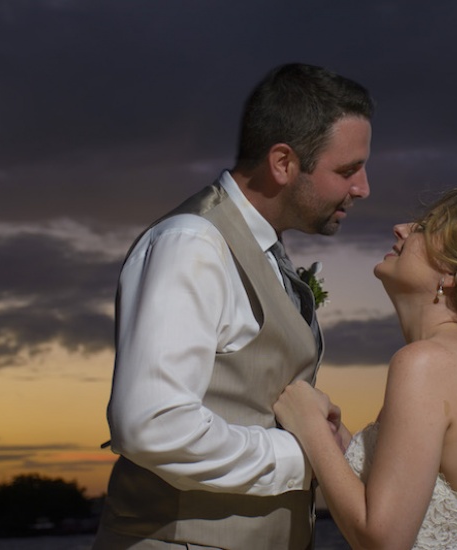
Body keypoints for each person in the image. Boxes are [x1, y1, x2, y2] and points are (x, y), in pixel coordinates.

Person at [93, 63, 374, 549]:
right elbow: (151, 426)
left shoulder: (259, 248)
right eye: (347, 170)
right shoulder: (193, 244)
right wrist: (301, 454)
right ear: (283, 162)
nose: (363, 187)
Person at [274, 188, 457, 549]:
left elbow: (384, 540)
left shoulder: (427, 363)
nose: (401, 228)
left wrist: (309, 427)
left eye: (424, 227)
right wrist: (339, 440)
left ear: (452, 272)